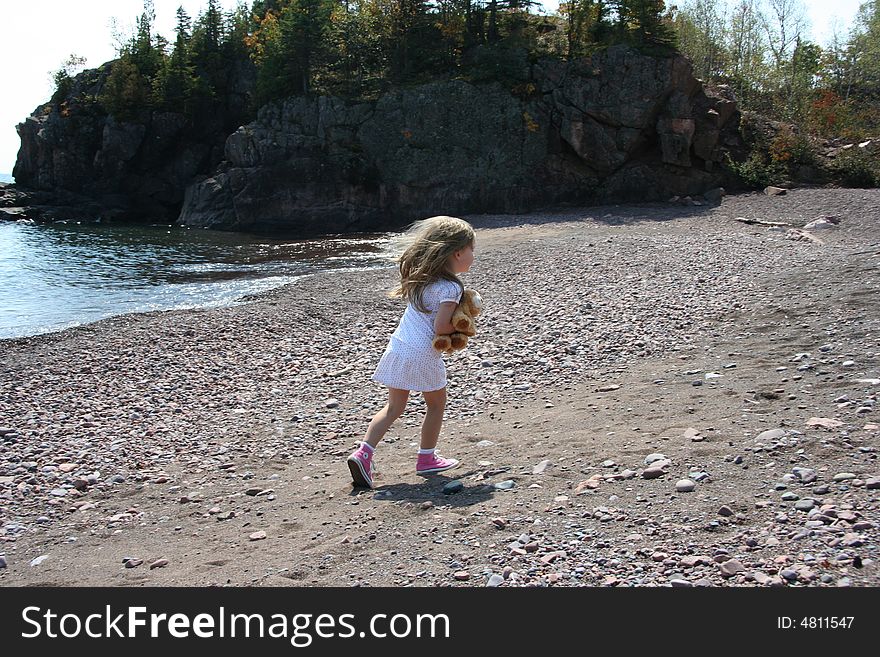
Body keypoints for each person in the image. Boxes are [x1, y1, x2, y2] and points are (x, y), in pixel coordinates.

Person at [347, 216, 477, 489]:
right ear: (457, 252)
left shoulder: (422, 281)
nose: (473, 255)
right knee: (436, 404)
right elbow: (441, 325)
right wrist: (462, 328)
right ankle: (427, 458)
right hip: (423, 353)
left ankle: (363, 453)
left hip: (398, 347)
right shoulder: (451, 287)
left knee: (394, 407)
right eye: (471, 250)